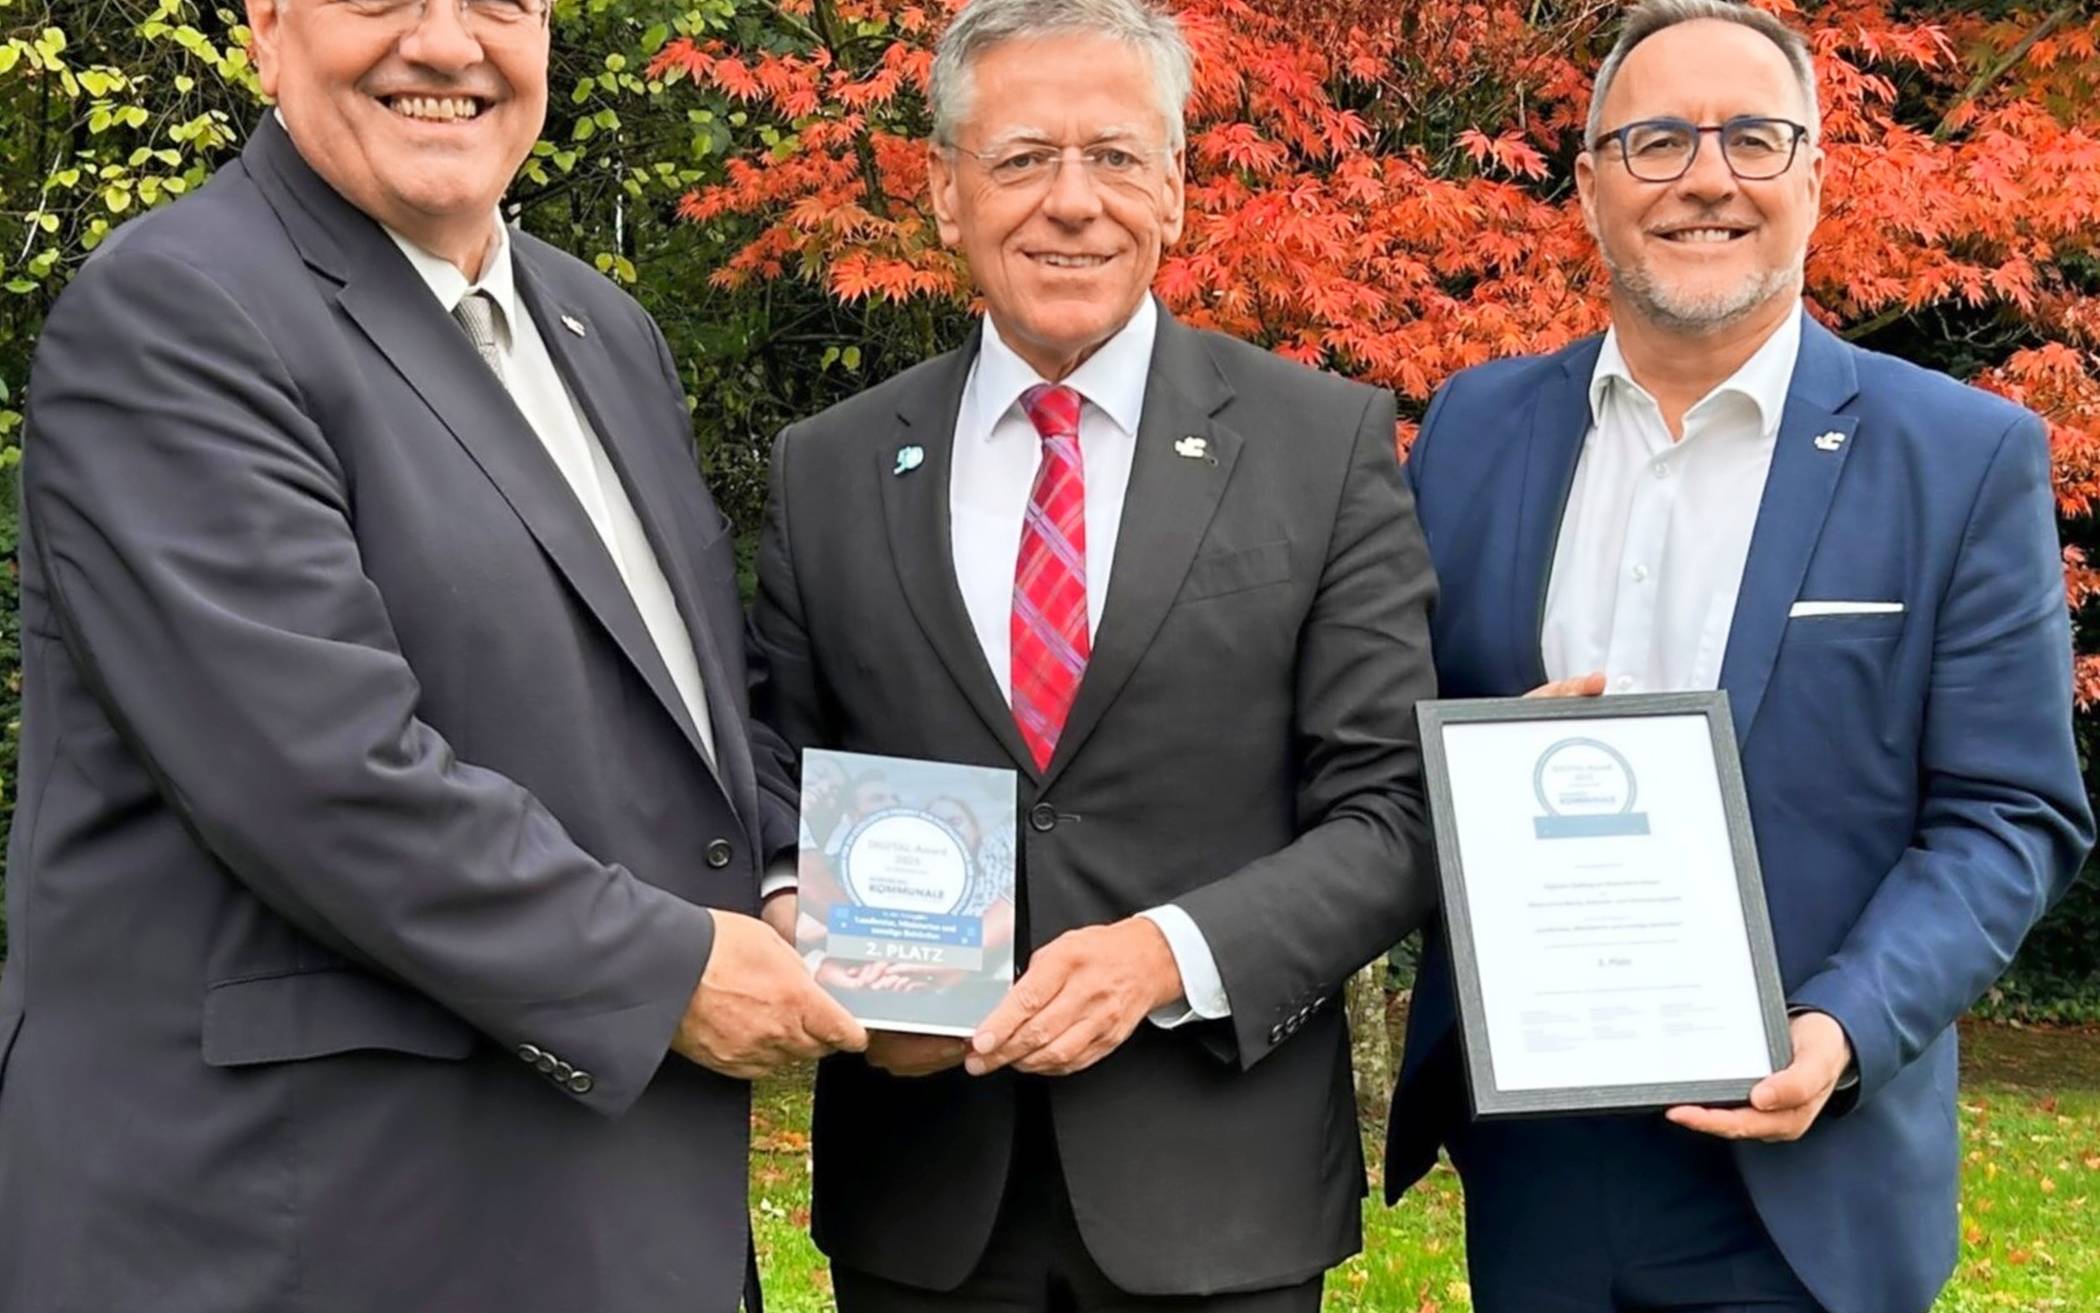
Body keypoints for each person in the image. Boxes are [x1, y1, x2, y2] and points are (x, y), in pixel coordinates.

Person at [0, 0, 865, 1307]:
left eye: (497, 4)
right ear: (268, 29)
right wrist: (672, 970)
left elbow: (688, 717)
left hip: (603, 1215)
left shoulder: (601, 331)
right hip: (311, 1230)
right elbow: (322, 777)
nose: (447, 43)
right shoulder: (177, 314)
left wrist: (800, 876)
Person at [1383, 5, 2094, 1312]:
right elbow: (1379, 741)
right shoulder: (1476, 429)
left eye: (1754, 139)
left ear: (1815, 179)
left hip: (1806, 1173)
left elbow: (2010, 809)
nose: (1707, 176)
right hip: (1537, 1156)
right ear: (1590, 190)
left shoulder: (1960, 458)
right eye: (1655, 142)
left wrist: (1843, 1028)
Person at [748, 0, 1440, 1307]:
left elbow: (1394, 811)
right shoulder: (829, 466)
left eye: (1116, 156)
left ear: (1175, 189)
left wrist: (1162, 954)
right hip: (921, 1195)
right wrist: (809, 935)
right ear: (947, 193)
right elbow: (774, 769)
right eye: (1022, 159)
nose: (1074, 201)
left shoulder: (1320, 443)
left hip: (1221, 1198)